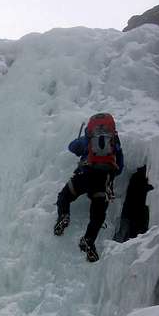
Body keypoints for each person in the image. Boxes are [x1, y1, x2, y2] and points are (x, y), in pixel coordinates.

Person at [53, 112, 124, 262]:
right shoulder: (115, 143)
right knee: (97, 216)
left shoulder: (87, 140)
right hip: (102, 182)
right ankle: (88, 241)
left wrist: (84, 140)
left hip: (84, 175)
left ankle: (64, 216)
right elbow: (120, 168)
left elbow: (72, 147)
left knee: (64, 196)